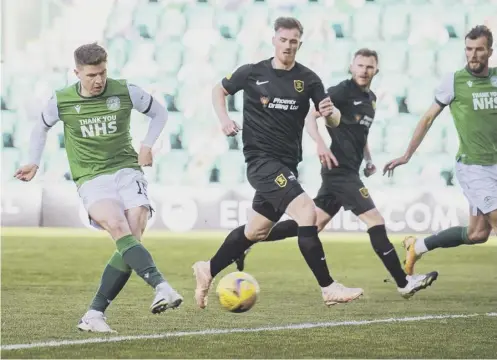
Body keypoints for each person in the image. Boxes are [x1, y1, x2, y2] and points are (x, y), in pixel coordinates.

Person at [233, 48, 439, 298]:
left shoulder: (371, 98)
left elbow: (360, 133)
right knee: (375, 220)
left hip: (350, 169)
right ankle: (403, 282)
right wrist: (319, 143)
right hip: (339, 170)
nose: (364, 70)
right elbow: (311, 116)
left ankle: (246, 241)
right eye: (360, 65)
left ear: (377, 70)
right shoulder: (341, 91)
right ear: (351, 67)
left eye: (369, 66)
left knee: (312, 224)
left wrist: (368, 159)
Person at [192, 17, 364, 308]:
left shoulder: (309, 80)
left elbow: (332, 118)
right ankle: (328, 287)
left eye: (293, 41)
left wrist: (331, 113)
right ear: (274, 40)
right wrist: (224, 120)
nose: (288, 45)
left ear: (300, 43)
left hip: (287, 165)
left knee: (257, 231)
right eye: (283, 40)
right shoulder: (251, 72)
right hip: (262, 162)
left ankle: (207, 269)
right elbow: (218, 90)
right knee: (307, 213)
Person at [14, 43, 183, 333]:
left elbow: (160, 114)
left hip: (128, 172)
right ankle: (161, 286)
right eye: (91, 75)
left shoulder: (126, 91)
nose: (98, 81)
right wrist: (33, 161)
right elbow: (40, 127)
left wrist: (146, 144)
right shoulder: (62, 100)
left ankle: (94, 314)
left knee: (133, 238)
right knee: (119, 228)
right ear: (76, 72)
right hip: (91, 178)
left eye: (102, 73)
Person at [383, 25, 497, 275]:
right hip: (474, 166)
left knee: (478, 234)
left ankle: (418, 246)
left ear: (490, 51)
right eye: (468, 49)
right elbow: (427, 119)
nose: (473, 55)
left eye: (479, 49)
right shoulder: (453, 81)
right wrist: (406, 155)